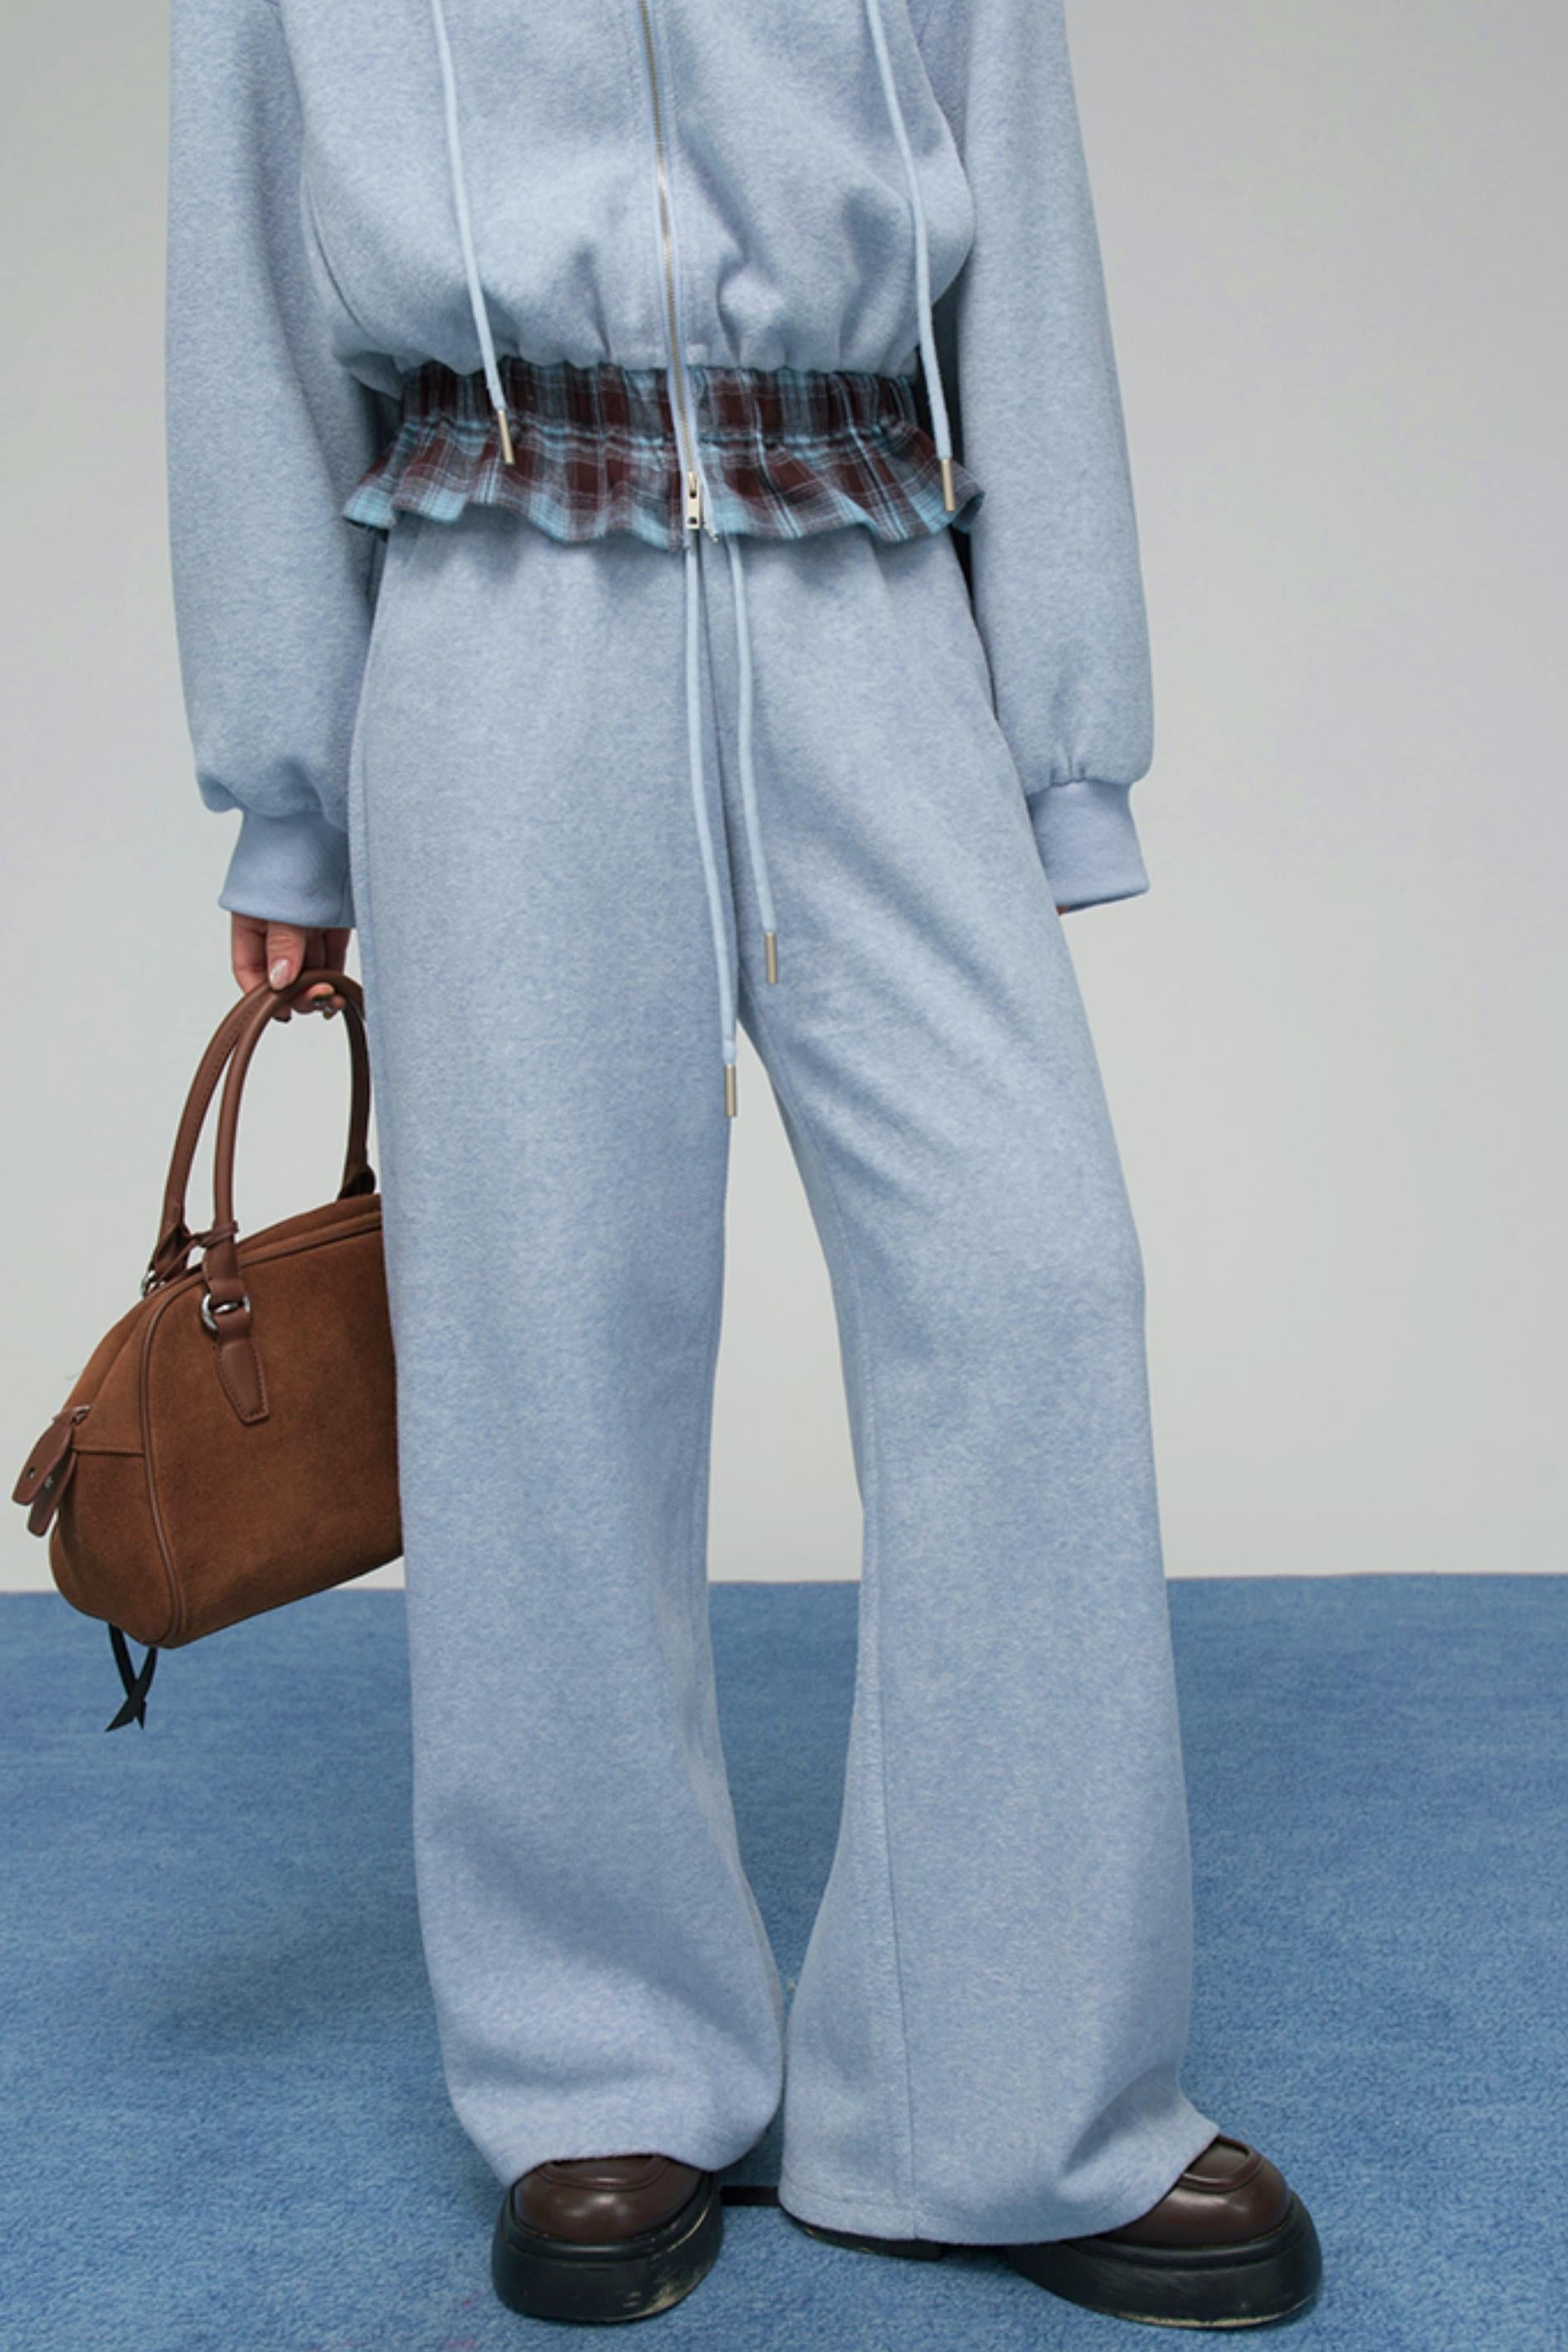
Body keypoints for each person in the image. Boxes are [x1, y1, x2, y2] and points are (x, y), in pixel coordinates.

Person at [163, 0, 1322, 2329]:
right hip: (493, 611)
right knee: (543, 1347)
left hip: (868, 587)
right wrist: (287, 778)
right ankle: (604, 2065)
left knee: (1031, 1289)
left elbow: (1027, 234)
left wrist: (1063, 716)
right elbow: (248, 288)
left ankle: (1007, 2100)